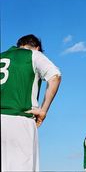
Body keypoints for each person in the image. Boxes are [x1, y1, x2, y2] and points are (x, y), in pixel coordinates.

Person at [1, 34, 61, 171]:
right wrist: (43, 110)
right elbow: (55, 76)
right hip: (19, 119)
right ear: (37, 48)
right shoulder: (33, 54)